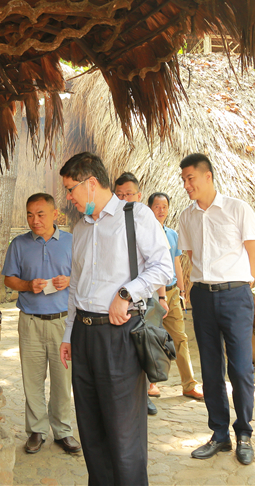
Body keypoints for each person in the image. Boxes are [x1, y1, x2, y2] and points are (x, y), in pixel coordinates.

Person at [59, 153, 173, 486]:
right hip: (83, 335)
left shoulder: (135, 215)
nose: (68, 197)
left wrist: (126, 294)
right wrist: (68, 334)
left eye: (70, 189)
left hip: (119, 335)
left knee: (124, 433)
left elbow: (163, 268)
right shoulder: (81, 228)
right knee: (91, 429)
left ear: (91, 183)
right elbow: (76, 286)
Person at [176, 153, 255, 465]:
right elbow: (190, 256)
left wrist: (241, 287)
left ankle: (244, 434)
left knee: (240, 369)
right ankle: (219, 434)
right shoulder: (186, 216)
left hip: (236, 295)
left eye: (191, 178)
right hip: (202, 296)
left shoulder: (238, 209)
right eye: (183, 180)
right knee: (211, 369)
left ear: (208, 176)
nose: (186, 185)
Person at [1, 193, 79, 455]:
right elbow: (9, 279)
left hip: (63, 322)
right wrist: (27, 285)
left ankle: (63, 430)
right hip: (30, 322)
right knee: (32, 379)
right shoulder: (19, 244)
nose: (35, 220)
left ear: (55, 214)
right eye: (30, 215)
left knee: (62, 379)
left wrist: (69, 280)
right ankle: (36, 430)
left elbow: (85, 275)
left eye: (41, 214)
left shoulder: (71, 241)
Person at [147, 192, 203, 401]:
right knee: (150, 338)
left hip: (172, 293)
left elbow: (176, 263)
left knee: (180, 338)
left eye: (164, 206)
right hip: (152, 294)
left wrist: (182, 290)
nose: (161, 210)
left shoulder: (172, 234)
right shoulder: (145, 234)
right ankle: (150, 383)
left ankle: (189, 384)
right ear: (150, 209)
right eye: (157, 206)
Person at [113, 172, 158, 417]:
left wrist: (161, 297)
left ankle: (145, 396)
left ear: (139, 196)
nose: (124, 199)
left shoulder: (144, 219)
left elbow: (159, 266)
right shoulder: (109, 222)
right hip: (116, 308)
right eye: (119, 195)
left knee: (144, 349)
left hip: (140, 301)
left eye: (129, 194)